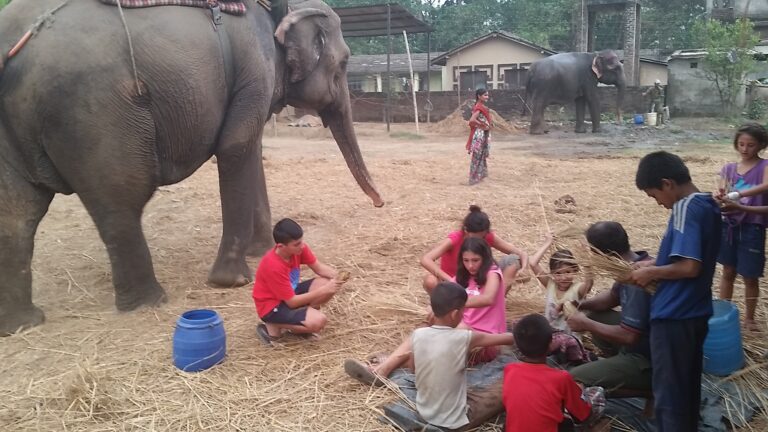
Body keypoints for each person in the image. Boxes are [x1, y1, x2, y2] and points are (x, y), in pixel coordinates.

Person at [343, 282, 515, 431]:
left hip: (424, 411)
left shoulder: (418, 335)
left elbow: (413, 368)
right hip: (455, 422)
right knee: (505, 387)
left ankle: (385, 365)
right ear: (455, 314)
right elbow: (505, 338)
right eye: (463, 312)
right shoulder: (465, 337)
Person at [630, 151, 721, 432]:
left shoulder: (685, 207)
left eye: (654, 195)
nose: (659, 203)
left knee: (668, 395)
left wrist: (650, 272)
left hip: (674, 315)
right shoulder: (708, 204)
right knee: (687, 387)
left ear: (667, 183)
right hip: (695, 311)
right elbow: (682, 256)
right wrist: (652, 263)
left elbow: (689, 266)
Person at [566, 222, 653, 394]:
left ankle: (650, 389)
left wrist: (585, 324)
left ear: (602, 254)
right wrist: (580, 304)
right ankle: (617, 365)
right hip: (645, 341)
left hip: (650, 358)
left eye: (592, 252)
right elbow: (612, 298)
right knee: (594, 314)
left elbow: (629, 337)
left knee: (572, 378)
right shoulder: (636, 263)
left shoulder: (638, 280)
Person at [503, 313, 604, 432]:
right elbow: (582, 416)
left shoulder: (509, 370)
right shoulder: (561, 378)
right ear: (551, 342)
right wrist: (579, 392)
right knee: (598, 392)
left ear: (518, 346)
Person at [252, 218, 342, 346]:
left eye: (301, 241)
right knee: (319, 321)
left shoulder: (299, 249)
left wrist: (337, 277)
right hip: (272, 307)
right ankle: (273, 324)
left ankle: (301, 322)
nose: (302, 246)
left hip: (289, 294)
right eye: (296, 244)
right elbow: (292, 302)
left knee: (325, 281)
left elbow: (319, 268)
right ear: (281, 246)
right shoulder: (273, 265)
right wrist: (325, 290)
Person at [715, 123, 768, 331]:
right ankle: (724, 312)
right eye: (741, 144)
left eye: (751, 145)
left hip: (752, 228)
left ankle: (750, 318)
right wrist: (719, 199)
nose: (745, 149)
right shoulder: (729, 169)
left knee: (750, 275)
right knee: (728, 270)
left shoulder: (764, 167)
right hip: (728, 226)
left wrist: (739, 197)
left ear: (761, 145)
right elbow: (720, 191)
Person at [420, 205, 527, 293]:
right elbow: (426, 259)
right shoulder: (455, 239)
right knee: (431, 281)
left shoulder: (489, 237)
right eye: (475, 237)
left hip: (480, 281)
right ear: (466, 231)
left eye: (482, 237)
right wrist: (451, 281)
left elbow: (519, 253)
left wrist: (524, 269)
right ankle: (443, 307)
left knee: (512, 260)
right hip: (455, 282)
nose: (478, 241)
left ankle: (497, 300)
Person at [453, 237, 507, 363]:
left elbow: (488, 298)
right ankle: (397, 361)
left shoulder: (492, 273)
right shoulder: (462, 276)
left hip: (486, 341)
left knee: (458, 331)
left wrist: (454, 303)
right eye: (466, 260)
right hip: (463, 331)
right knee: (421, 331)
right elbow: (446, 293)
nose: (470, 265)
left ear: (485, 258)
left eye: (475, 260)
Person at [529, 234, 593, 334]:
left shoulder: (577, 289)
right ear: (552, 274)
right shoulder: (550, 285)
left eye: (567, 272)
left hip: (570, 341)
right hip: (549, 336)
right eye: (558, 273)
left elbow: (588, 284)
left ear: (575, 270)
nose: (563, 278)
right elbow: (533, 263)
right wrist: (548, 243)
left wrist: (586, 256)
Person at [466, 88, 492, 185]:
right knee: (477, 156)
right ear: (479, 96)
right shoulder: (478, 107)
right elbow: (472, 120)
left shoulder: (481, 106)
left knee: (481, 155)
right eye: (485, 95)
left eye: (487, 95)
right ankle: (473, 178)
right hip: (479, 135)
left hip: (482, 133)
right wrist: (482, 125)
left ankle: (479, 176)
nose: (487, 97)